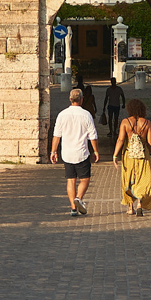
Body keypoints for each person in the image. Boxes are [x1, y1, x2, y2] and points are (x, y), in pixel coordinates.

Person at [51, 87, 100, 216]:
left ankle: (73, 208)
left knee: (70, 180)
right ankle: (79, 197)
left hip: (67, 153)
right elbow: (93, 136)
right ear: (82, 99)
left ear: (70, 99)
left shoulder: (62, 114)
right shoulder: (86, 115)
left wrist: (53, 151)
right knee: (85, 179)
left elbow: (57, 135)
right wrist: (96, 151)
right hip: (82, 153)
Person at [116, 99, 151, 216]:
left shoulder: (125, 122)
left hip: (128, 155)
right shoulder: (147, 123)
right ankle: (140, 202)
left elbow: (120, 139)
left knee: (128, 179)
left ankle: (130, 207)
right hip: (143, 155)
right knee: (142, 178)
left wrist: (115, 155)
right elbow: (150, 142)